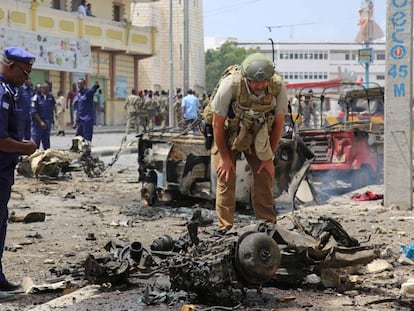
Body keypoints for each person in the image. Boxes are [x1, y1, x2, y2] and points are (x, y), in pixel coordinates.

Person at [210, 53, 288, 231]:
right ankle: (225, 228)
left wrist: (269, 158)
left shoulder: (277, 87)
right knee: (226, 175)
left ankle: (267, 225)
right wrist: (225, 157)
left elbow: (278, 124)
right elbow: (217, 124)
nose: (259, 86)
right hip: (229, 135)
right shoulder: (230, 85)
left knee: (264, 174)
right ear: (246, 78)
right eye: (255, 82)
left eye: (263, 82)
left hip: (257, 135)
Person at [0, 47, 37, 300]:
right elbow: (0, 140)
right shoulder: (1, 93)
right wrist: (26, 147)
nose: (26, 79)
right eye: (24, 73)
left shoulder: (11, 91)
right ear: (10, 65)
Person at [74, 78, 100, 156]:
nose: (79, 85)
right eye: (78, 83)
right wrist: (76, 121)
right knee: (78, 138)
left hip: (87, 120)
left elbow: (93, 89)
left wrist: (96, 85)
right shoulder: (78, 94)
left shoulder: (88, 92)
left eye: (81, 83)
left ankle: (87, 155)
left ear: (84, 84)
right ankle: (79, 154)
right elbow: (78, 108)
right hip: (80, 120)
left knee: (87, 139)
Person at [31, 82, 56, 150]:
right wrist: (41, 122)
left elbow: (53, 106)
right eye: (45, 88)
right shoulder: (36, 98)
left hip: (47, 123)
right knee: (36, 142)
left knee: (46, 143)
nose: (46, 90)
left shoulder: (51, 97)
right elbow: (34, 112)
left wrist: (53, 118)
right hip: (38, 124)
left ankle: (46, 157)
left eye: (48, 88)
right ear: (41, 89)